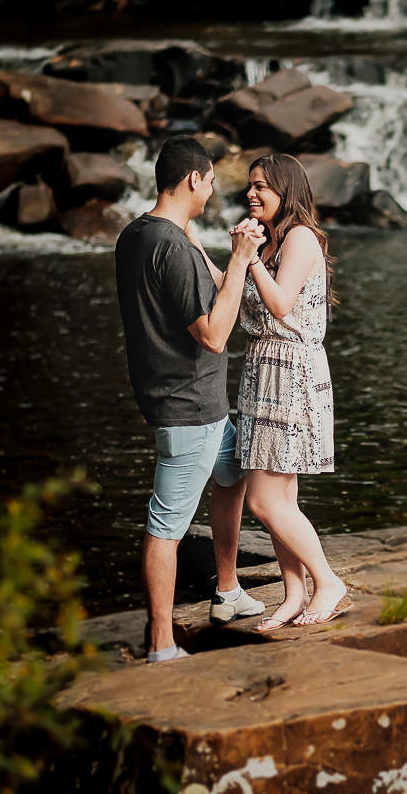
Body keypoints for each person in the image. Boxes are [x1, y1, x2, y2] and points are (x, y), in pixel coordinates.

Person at [115, 136, 268, 662]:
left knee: (233, 477)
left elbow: (185, 281)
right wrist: (244, 257)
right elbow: (214, 334)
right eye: (209, 181)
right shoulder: (173, 247)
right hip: (187, 409)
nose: (212, 191)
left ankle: (226, 592)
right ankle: (160, 643)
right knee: (166, 525)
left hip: (201, 405)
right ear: (194, 180)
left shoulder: (139, 234)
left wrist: (207, 249)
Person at [234, 153, 351, 630]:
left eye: (261, 186)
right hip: (264, 370)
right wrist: (202, 254)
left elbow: (280, 303)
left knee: (263, 501)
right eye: (249, 186)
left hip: (291, 372)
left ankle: (327, 581)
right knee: (283, 500)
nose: (251, 194)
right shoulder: (269, 241)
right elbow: (239, 293)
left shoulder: (300, 237)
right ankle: (294, 594)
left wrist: (247, 258)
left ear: (287, 190)